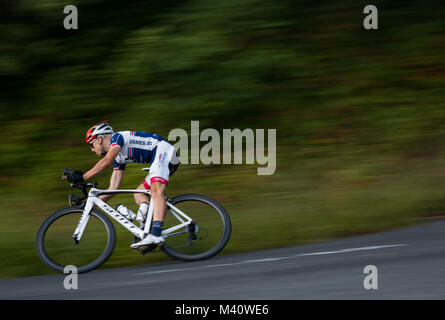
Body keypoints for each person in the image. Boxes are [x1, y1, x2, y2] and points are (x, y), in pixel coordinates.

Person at [81, 120, 179, 249]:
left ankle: (155, 234)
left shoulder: (116, 138)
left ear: (99, 139)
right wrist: (90, 204)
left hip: (162, 151)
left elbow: (106, 162)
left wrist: (83, 177)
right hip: (160, 156)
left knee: (156, 191)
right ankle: (148, 227)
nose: (92, 150)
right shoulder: (118, 157)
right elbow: (113, 188)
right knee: (139, 193)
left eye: (91, 145)